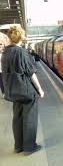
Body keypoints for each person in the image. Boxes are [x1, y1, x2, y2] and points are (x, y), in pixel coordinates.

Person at [1, 26, 45, 156]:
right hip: (26, 91)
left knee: (17, 118)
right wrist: (40, 89)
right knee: (30, 118)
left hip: (13, 92)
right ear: (21, 37)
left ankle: (18, 146)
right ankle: (29, 147)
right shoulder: (22, 52)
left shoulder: (5, 53)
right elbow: (31, 73)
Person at [0, 32, 9, 98]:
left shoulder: (6, 52)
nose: (0, 46)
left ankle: (7, 92)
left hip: (5, 70)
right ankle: (4, 93)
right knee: (1, 82)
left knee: (6, 82)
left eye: (1, 44)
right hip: (0, 70)